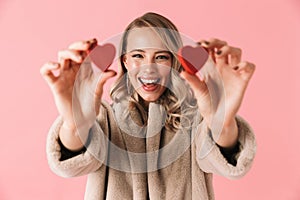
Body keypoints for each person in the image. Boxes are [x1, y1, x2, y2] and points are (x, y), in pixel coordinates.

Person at [41, 12, 256, 200]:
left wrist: (222, 122)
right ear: (124, 61)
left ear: (174, 62)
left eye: (161, 57)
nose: (149, 68)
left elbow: (223, 161)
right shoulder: (105, 119)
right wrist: (74, 123)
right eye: (137, 56)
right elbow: (73, 163)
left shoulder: (195, 120)